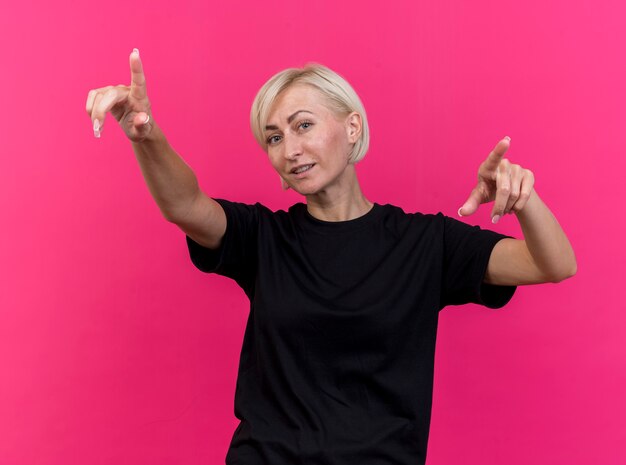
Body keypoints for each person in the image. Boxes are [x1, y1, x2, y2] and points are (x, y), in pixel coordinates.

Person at [86, 49, 577, 465]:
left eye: (303, 126)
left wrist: (524, 198)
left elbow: (552, 264)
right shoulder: (263, 238)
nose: (290, 149)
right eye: (275, 138)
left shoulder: (425, 243)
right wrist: (146, 134)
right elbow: (185, 205)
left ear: (351, 127)